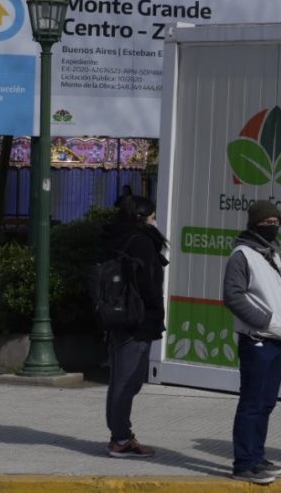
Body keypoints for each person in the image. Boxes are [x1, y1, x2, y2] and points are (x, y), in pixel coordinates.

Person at [223, 200, 281, 485]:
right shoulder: (242, 255)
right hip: (258, 340)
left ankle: (257, 456)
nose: (272, 226)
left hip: (276, 341)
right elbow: (233, 296)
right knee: (252, 403)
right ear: (254, 224)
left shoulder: (271, 255)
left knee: (266, 403)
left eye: (275, 221)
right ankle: (244, 463)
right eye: (266, 222)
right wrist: (266, 321)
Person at [102, 195, 168, 458]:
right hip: (136, 319)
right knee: (126, 381)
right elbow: (148, 283)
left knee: (125, 379)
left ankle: (120, 435)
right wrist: (155, 312)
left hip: (121, 316)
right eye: (152, 215)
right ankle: (120, 439)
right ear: (142, 217)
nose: (155, 220)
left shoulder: (117, 237)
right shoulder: (140, 242)